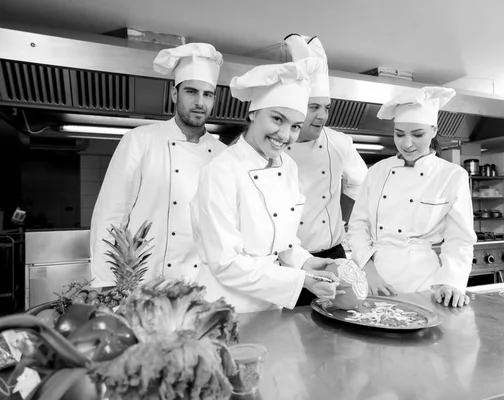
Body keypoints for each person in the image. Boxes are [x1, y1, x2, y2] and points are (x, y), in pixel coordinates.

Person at [191, 58, 342, 313]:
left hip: (271, 306)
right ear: (253, 113)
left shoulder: (288, 167)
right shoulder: (221, 171)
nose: (284, 135)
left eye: (295, 126)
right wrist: (300, 280)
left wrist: (306, 262)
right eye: (277, 119)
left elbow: (283, 242)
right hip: (226, 308)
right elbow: (225, 263)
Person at [90, 43, 226, 287]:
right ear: (175, 94)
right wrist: (106, 284)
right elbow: (111, 215)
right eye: (191, 92)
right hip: (142, 283)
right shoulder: (140, 140)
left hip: (201, 285)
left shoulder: (223, 155)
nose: (199, 102)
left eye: (208, 94)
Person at [347, 87, 477, 307]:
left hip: (424, 282)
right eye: (399, 134)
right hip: (376, 276)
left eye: (417, 134)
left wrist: (451, 282)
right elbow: (358, 226)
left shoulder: (452, 176)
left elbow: (460, 239)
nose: (407, 143)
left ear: (434, 130)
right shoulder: (377, 171)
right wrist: (368, 271)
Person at [283, 34, 368, 306]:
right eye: (313, 107)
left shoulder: (338, 143)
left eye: (326, 108)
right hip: (289, 260)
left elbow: (360, 184)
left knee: (341, 325)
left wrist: (339, 218)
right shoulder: (276, 144)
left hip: (333, 255)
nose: (321, 116)